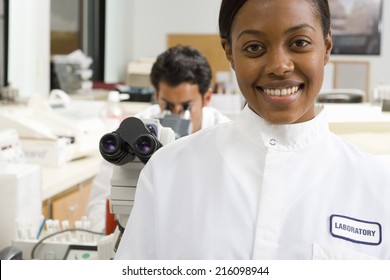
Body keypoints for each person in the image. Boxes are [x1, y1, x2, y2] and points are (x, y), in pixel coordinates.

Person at [115, 0, 390, 260]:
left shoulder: (377, 187)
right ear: (230, 53)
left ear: (327, 46)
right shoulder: (168, 172)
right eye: (254, 47)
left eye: (299, 43)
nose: (279, 66)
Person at [86, 45, 230, 232]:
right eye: (168, 106)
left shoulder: (225, 135)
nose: (176, 116)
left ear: (207, 98)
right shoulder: (135, 129)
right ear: (156, 95)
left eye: (186, 107)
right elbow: (99, 203)